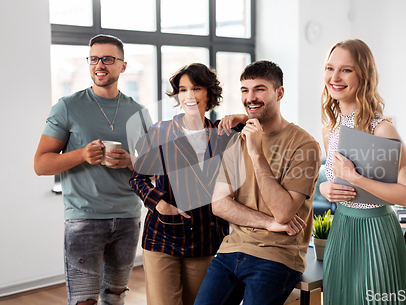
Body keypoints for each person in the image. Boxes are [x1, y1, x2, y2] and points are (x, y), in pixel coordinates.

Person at [194, 60, 322, 305]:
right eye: (245, 90)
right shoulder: (237, 139)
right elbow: (219, 205)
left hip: (277, 256)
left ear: (279, 93)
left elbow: (284, 212)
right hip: (232, 249)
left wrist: (256, 153)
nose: (250, 97)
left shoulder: (304, 145)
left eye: (259, 89)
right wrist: (268, 223)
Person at [34, 34, 148, 305]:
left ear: (123, 66)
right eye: (94, 58)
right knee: (83, 300)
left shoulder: (140, 112)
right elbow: (41, 164)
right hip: (83, 219)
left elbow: (153, 167)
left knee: (116, 297)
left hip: (128, 218)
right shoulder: (67, 106)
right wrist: (82, 154)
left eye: (108, 59)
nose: (100, 64)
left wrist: (129, 161)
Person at [130, 63, 247, 305]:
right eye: (183, 90)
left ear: (209, 94)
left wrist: (243, 117)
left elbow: (265, 126)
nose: (189, 96)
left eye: (196, 88)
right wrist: (160, 204)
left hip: (205, 238)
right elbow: (137, 177)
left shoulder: (224, 133)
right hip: (162, 236)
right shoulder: (160, 131)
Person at [319, 39, 406, 305]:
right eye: (330, 68)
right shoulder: (329, 130)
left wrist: (356, 178)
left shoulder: (382, 129)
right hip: (342, 229)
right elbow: (332, 179)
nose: (335, 77)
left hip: (377, 233)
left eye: (346, 70)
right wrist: (324, 188)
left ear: (363, 75)